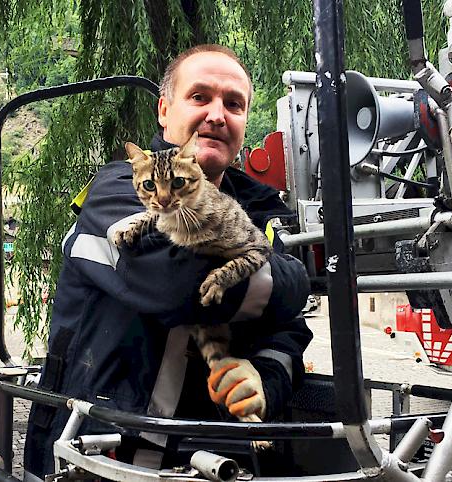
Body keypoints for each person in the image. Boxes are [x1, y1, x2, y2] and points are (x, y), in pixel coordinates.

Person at [24, 44, 312, 480]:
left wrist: (264, 379)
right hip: (95, 457)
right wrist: (277, 277)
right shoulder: (118, 188)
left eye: (234, 104)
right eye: (200, 97)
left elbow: (294, 317)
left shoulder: (265, 208)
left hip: (212, 460)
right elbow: (180, 284)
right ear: (164, 110)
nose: (218, 113)